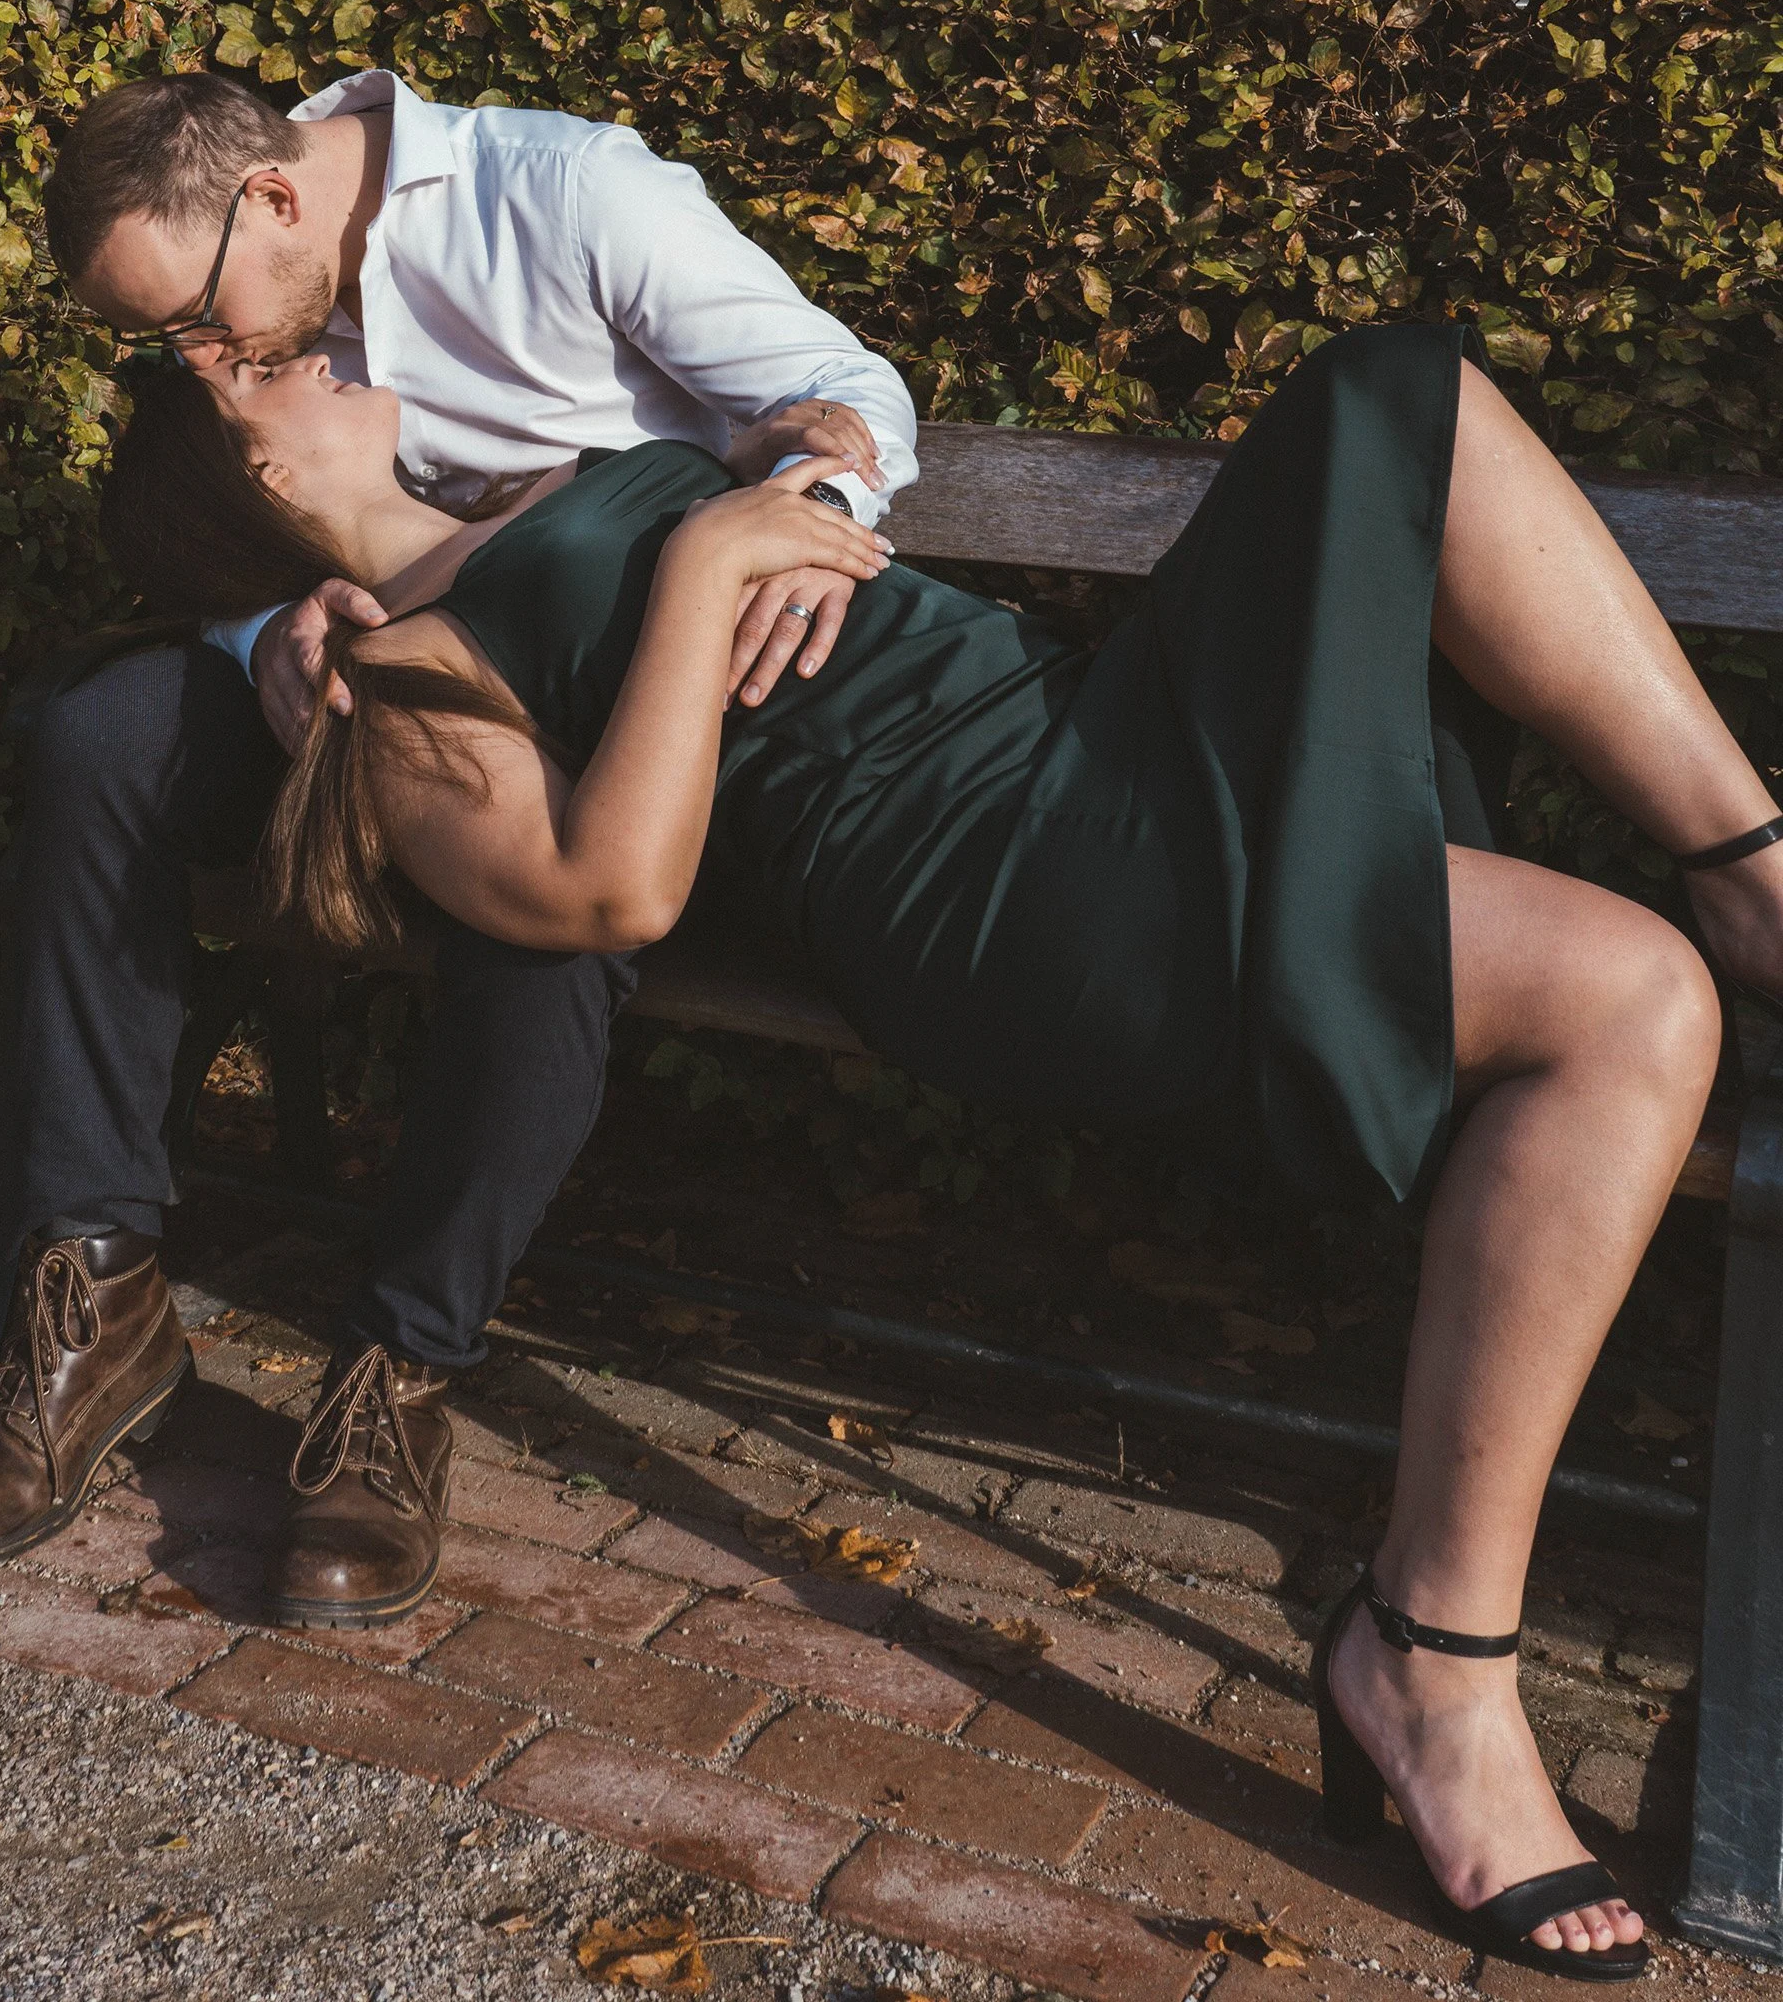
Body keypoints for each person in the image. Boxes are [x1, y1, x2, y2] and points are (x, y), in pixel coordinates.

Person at [101, 321, 1783, 1980]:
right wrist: (699, 579)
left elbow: (809, 448)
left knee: (1403, 390)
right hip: (991, 875)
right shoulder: (394, 678)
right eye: (255, 372)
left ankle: (1756, 874)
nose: (305, 347)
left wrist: (807, 458)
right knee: (1634, 1005)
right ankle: (1435, 1659)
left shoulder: (543, 474)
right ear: (255, 468)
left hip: (1082, 719)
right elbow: (610, 896)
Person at [0, 65, 918, 1626]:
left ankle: (400, 1373)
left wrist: (805, 520)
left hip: (572, 714)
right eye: (153, 341)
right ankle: (92, 1292)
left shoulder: (569, 197)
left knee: (545, 915)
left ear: (279, 197)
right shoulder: (239, 282)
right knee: (99, 734)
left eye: (193, 319)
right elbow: (203, 526)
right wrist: (259, 635)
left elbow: (844, 390)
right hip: (347, 684)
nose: (195, 358)